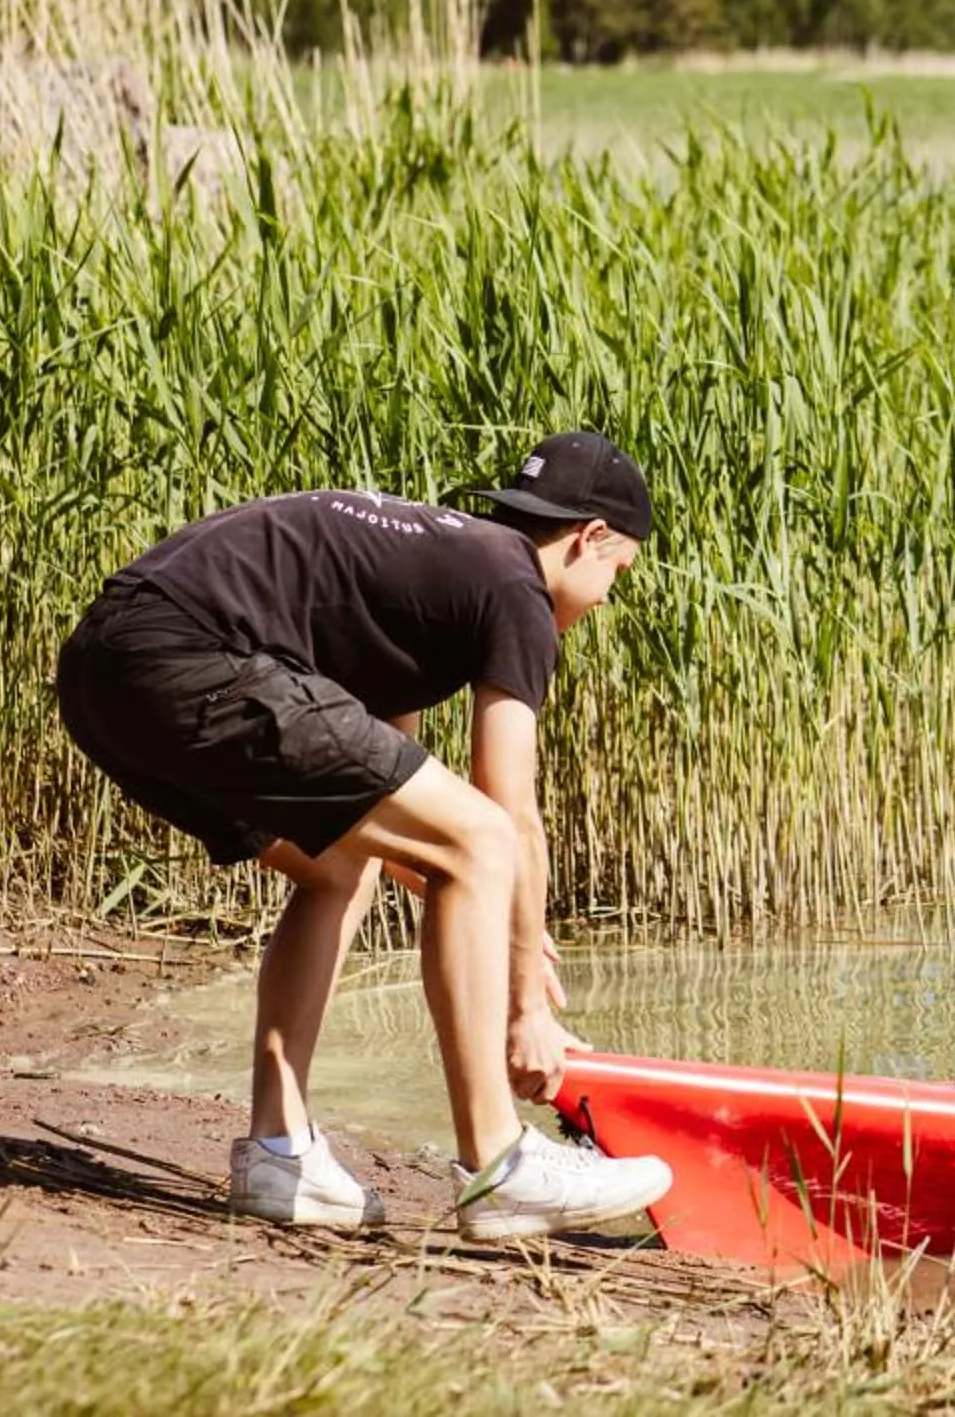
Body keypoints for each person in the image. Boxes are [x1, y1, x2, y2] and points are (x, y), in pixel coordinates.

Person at [53, 431, 675, 1240]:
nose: (605, 600)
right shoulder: (517, 585)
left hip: (103, 670)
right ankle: (500, 1164)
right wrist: (527, 1005)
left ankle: (281, 1151)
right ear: (591, 538)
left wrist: (483, 901)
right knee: (484, 838)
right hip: (188, 653)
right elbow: (507, 811)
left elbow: (387, 797)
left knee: (341, 867)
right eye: (616, 574)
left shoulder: (433, 574)